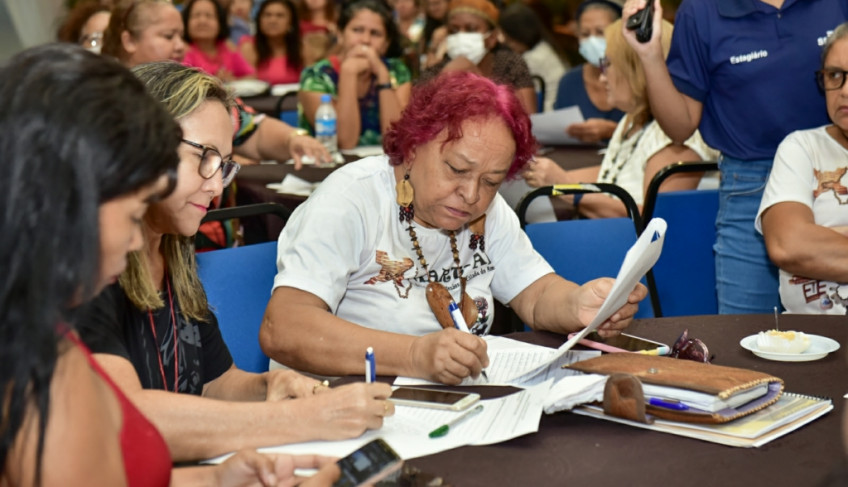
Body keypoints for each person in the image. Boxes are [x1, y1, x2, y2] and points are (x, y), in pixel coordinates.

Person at [0, 43, 339, 487]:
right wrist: (301, 421)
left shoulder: (46, 330)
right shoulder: (42, 353)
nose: (135, 234)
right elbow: (133, 421)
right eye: (131, 204)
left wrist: (215, 480)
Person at [77, 62, 394, 462]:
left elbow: (213, 382)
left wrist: (271, 389)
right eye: (205, 157)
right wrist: (302, 418)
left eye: (224, 165)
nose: (215, 185)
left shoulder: (175, 251)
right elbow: (130, 418)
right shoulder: (91, 269)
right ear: (142, 147)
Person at [260, 71, 647, 385]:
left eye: (492, 181)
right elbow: (285, 328)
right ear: (413, 146)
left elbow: (535, 293)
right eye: (457, 170)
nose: (471, 195)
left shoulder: (488, 212)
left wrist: (581, 303)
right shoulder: (351, 200)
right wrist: (415, 355)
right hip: (335, 403)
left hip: (440, 403)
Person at [624, 0, 848, 314]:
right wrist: (649, 56)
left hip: (836, 171)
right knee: (747, 333)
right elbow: (679, 128)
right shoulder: (702, 11)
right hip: (751, 183)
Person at [523, 18, 717, 218]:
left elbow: (653, 223)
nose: (602, 77)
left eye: (607, 64)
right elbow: (613, 173)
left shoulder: (677, 137)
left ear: (636, 70)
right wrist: (545, 176)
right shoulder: (632, 119)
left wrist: (568, 189)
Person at [102, 0, 329, 169]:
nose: (181, 46)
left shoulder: (193, 90)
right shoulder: (104, 101)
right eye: (169, 36)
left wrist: (294, 139)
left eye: (181, 36)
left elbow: (253, 130)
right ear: (129, 40)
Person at [757, 23, 848, 314]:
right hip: (809, 343)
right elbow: (788, 245)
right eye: (835, 75)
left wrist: (825, 236)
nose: (844, 91)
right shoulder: (801, 148)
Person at [298, 0, 412, 149]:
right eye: (357, 30)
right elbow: (345, 142)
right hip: (329, 166)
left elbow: (396, 140)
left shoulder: (397, 71)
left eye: (375, 33)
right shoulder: (315, 76)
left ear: (386, 44)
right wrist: (348, 73)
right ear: (340, 34)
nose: (365, 40)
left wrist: (383, 76)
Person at [418, 0, 537, 115]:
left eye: (471, 29)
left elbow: (528, 123)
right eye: (454, 30)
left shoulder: (510, 64)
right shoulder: (438, 69)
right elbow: (417, 121)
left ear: (492, 38)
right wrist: (444, 78)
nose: (461, 35)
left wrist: (482, 85)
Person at [553, 0, 624, 143]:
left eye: (600, 32)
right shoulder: (569, 82)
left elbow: (656, 134)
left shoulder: (637, 79)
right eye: (585, 34)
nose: (592, 40)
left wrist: (614, 131)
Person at [498, 3, 567, 112]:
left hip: (548, 114)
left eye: (509, 40)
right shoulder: (543, 47)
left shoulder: (532, 59)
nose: (508, 45)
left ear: (521, 35)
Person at [182, 0, 255, 81]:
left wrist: (233, 80)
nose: (202, 21)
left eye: (209, 16)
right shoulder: (183, 52)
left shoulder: (228, 48)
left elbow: (252, 75)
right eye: (196, 15)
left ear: (220, 22)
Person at [239, 0, 304, 85]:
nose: (272, 20)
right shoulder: (249, 47)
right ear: (259, 20)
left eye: (280, 15)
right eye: (267, 15)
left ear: (291, 22)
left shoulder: (302, 48)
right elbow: (246, 83)